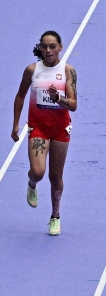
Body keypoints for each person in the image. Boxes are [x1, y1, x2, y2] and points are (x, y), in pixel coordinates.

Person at [11, 31, 77, 236]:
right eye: (44, 46)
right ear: (40, 47)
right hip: (38, 127)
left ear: (60, 47)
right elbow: (20, 97)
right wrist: (15, 125)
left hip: (60, 129)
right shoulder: (32, 70)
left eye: (52, 46)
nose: (48, 50)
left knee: (56, 175)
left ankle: (55, 216)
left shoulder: (68, 71)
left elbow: (73, 105)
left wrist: (59, 99)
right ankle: (31, 184)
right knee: (38, 173)